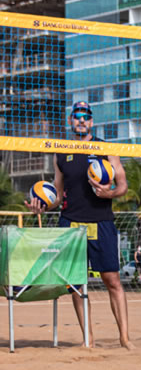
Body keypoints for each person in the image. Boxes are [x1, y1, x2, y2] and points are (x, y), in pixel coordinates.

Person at [24, 101, 135, 350]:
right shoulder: (61, 152)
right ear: (71, 121)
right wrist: (41, 207)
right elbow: (57, 193)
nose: (81, 120)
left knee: (113, 281)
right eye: (77, 117)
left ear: (92, 122)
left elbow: (123, 185)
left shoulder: (106, 148)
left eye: (85, 117)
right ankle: (89, 339)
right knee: (76, 283)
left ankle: (125, 338)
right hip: (71, 222)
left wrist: (110, 193)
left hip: (101, 221)